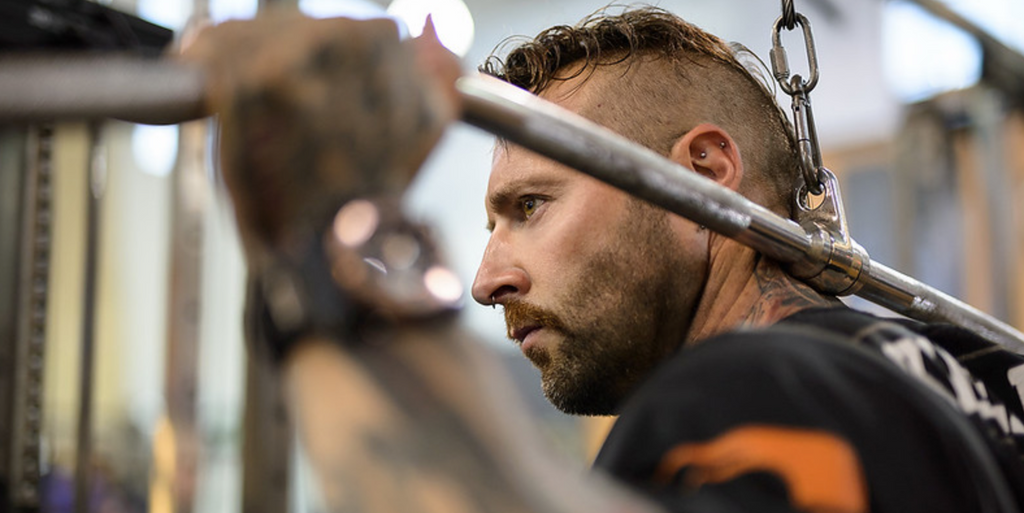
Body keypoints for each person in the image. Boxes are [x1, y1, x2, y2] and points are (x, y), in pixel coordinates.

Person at [183, 5, 1024, 513]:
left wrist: (325, 227)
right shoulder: (983, 374)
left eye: (531, 206)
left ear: (703, 176)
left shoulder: (753, 389)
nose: (487, 280)